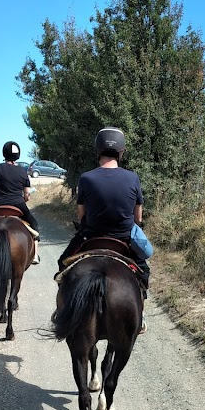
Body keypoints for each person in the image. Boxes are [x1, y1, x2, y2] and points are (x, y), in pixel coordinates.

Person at [57, 127, 150, 332]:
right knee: (143, 271)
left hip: (91, 237)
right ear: (121, 152)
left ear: (98, 151)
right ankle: (140, 315)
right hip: (124, 240)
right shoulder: (132, 178)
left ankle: (61, 310)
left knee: (62, 264)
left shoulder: (86, 178)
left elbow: (81, 215)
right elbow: (138, 217)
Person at [0, 140, 40, 264]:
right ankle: (35, 255)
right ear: (18, 155)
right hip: (18, 205)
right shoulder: (23, 171)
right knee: (35, 225)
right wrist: (26, 198)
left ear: (4, 153)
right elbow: (27, 193)